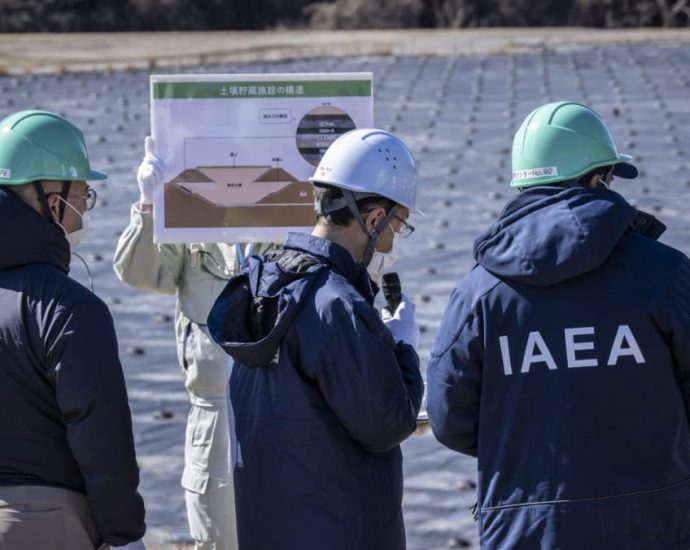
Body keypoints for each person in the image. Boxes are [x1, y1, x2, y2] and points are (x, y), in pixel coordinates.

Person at [427, 100, 690, 548]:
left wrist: (526, 444)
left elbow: (450, 417)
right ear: (596, 179)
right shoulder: (663, 274)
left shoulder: (479, 294)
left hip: (527, 529)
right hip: (652, 523)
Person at [206, 128, 424, 550]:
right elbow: (388, 422)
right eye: (399, 225)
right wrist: (403, 348)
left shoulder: (260, 285)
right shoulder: (336, 305)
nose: (396, 239)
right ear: (374, 219)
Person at [113, 137, 272, 550]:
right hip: (213, 414)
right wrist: (150, 207)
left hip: (288, 410)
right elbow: (139, 273)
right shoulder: (191, 213)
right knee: (217, 539)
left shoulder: (296, 216)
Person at [0, 109, 146, 549]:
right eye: (83, 193)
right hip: (45, 522)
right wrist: (125, 534)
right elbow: (101, 439)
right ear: (51, 198)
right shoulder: (68, 307)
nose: (85, 207)